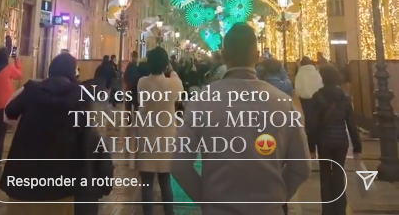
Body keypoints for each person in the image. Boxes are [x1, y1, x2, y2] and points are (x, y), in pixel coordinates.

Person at [172, 23, 311, 215]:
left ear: (224, 55)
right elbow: (301, 167)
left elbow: (178, 164)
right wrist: (275, 198)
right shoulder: (283, 103)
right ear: (256, 57)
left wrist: (206, 199)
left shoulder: (202, 101)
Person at [0, 53, 113, 215]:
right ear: (73, 72)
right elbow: (86, 132)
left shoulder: (32, 89)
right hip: (60, 180)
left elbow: (10, 111)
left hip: (24, 177)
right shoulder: (80, 95)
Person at [307, 65, 362, 215]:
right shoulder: (344, 98)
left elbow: (312, 124)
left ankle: (327, 209)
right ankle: (340, 209)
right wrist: (357, 147)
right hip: (341, 142)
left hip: (324, 142)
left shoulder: (317, 97)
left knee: (325, 175)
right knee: (339, 173)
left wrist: (311, 147)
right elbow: (351, 124)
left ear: (323, 79)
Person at [136, 47, 183, 215]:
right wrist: (171, 70)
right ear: (166, 64)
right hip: (166, 136)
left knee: (147, 181)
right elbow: (179, 88)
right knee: (165, 179)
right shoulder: (173, 83)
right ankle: (169, 212)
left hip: (147, 135)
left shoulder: (143, 82)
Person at [294, 57, 323, 132]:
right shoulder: (316, 72)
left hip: (305, 99)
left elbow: (298, 88)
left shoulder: (300, 74)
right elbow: (320, 84)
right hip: (317, 98)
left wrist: (298, 95)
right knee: (316, 115)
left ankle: (309, 133)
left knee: (307, 116)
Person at [124, 50, 140, 115]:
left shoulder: (130, 65)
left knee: (128, 105)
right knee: (135, 104)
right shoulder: (137, 66)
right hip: (135, 88)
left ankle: (129, 119)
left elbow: (125, 76)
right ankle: (134, 119)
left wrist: (127, 84)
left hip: (129, 87)